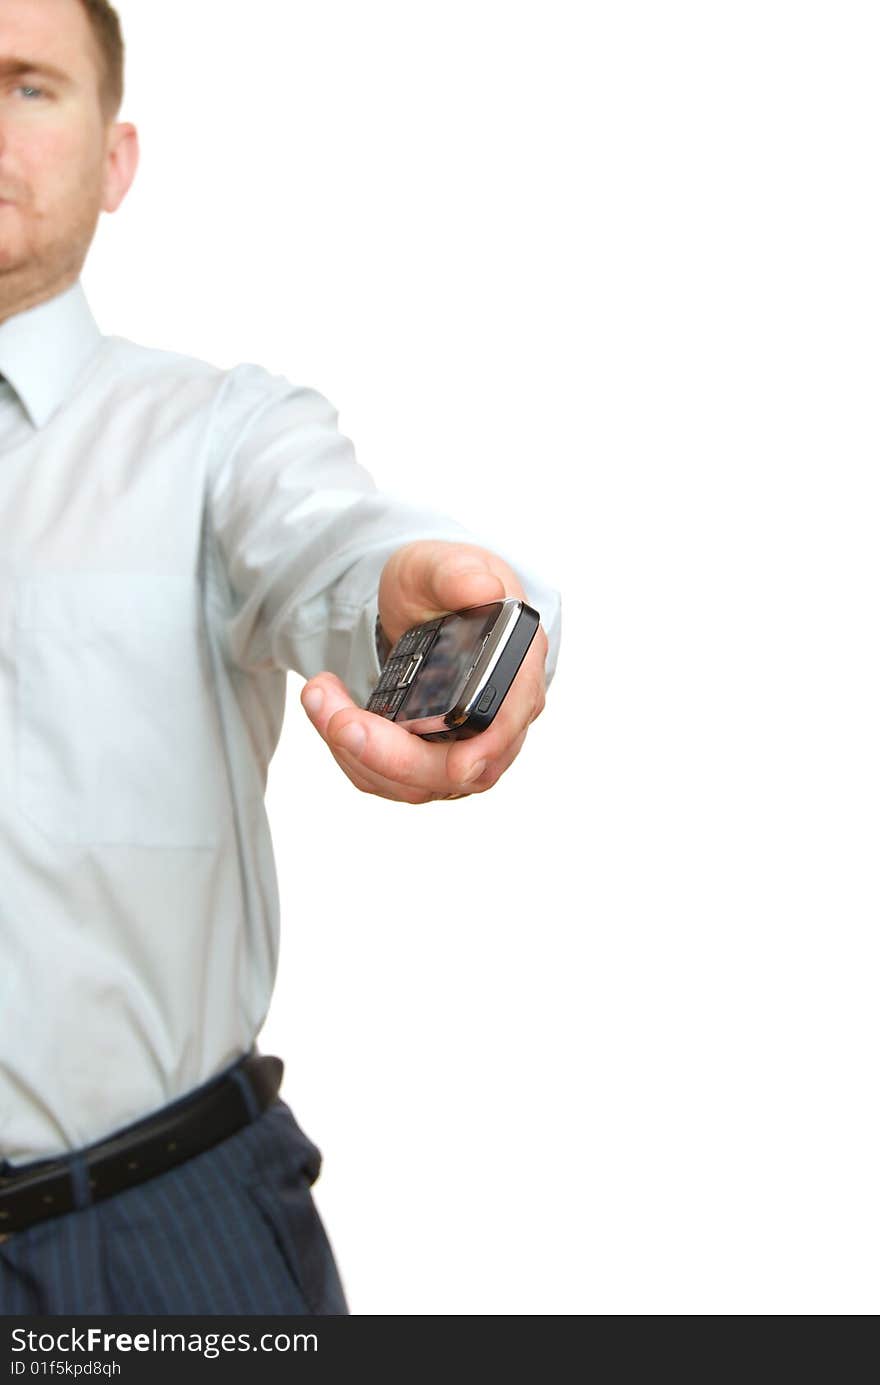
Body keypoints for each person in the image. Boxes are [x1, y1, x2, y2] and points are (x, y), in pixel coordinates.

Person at [0, 0, 562, 1315]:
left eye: (27, 86)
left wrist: (419, 598)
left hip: (148, 1250)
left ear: (115, 155)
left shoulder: (215, 439)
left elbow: (335, 546)